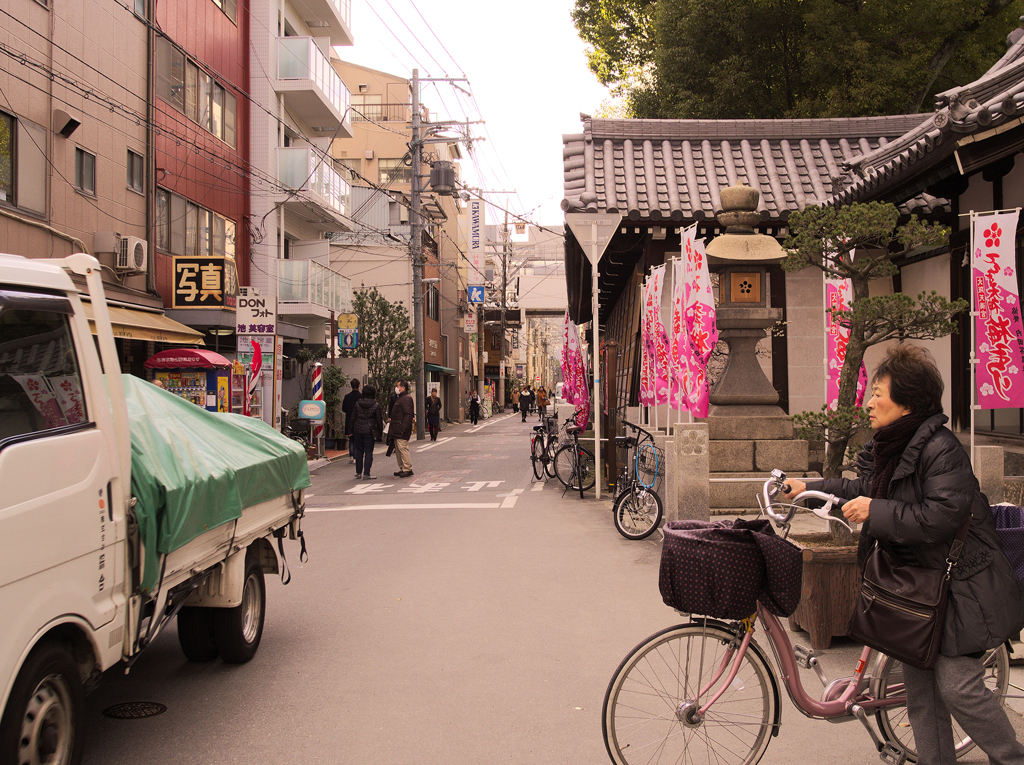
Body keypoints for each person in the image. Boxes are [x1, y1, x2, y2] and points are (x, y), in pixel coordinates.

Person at [783, 344, 1024, 765]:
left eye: (879, 393)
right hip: (920, 588)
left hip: (962, 586)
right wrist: (809, 488)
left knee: (958, 688)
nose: (870, 402)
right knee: (920, 693)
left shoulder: (941, 448)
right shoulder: (892, 445)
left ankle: (1011, 756)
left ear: (908, 401)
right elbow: (865, 490)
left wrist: (878, 511)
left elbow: (943, 515)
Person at [349, 385, 383, 480]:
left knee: (359, 451)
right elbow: (379, 420)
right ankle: (366, 473)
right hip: (369, 431)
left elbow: (352, 417)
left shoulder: (358, 403)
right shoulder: (376, 405)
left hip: (357, 430)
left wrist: (350, 430)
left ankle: (358, 472)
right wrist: (380, 432)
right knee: (368, 452)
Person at [389, 380, 414, 477]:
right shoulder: (401, 398)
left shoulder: (406, 398)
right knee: (398, 449)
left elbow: (408, 415)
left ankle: (407, 468)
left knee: (402, 448)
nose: (396, 388)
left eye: (398, 386)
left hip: (401, 429)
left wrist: (403, 428)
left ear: (403, 388)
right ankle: (402, 467)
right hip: (397, 428)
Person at [341, 378, 362, 464]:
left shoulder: (347, 397)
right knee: (358, 439)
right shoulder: (361, 397)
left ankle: (351, 456)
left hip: (349, 420)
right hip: (359, 420)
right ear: (359, 386)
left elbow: (344, 409)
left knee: (351, 439)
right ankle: (356, 456)